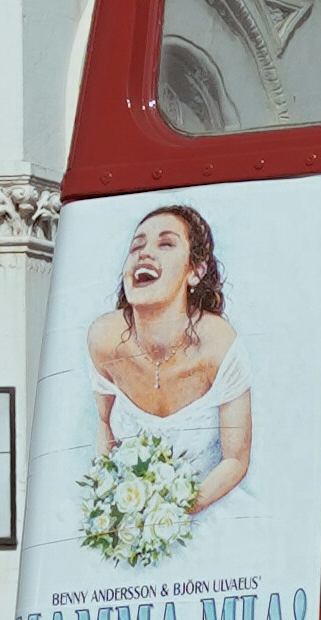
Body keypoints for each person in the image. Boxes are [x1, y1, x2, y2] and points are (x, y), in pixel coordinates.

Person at [87, 201, 253, 519]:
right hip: (132, 520)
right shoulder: (103, 338)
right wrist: (112, 504)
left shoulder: (219, 345)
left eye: (165, 244)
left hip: (210, 513)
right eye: (137, 245)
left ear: (195, 271)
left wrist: (171, 513)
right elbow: (104, 425)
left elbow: (236, 460)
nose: (144, 253)